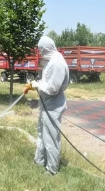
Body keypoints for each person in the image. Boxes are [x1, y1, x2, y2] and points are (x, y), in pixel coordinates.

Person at [23, 35, 69, 175]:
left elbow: (53, 88)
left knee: (50, 137)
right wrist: (34, 85)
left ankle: (52, 169)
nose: (40, 53)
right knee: (41, 133)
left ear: (46, 48)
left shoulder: (57, 63)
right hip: (46, 103)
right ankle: (39, 160)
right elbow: (47, 82)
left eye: (41, 50)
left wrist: (36, 85)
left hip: (53, 106)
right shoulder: (51, 60)